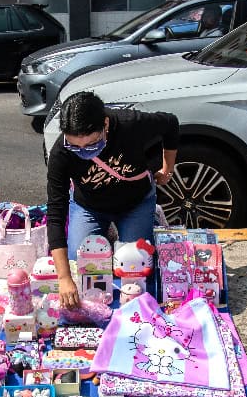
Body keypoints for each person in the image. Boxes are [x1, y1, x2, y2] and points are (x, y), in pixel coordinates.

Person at [46, 92, 179, 310]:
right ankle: (104, 233)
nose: (83, 153)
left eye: (91, 145)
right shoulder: (60, 153)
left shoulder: (130, 124)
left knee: (136, 265)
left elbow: (171, 123)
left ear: (105, 124)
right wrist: (63, 278)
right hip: (89, 207)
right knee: (79, 264)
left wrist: (168, 168)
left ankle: (147, 220)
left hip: (135, 202)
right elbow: (55, 213)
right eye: (74, 147)